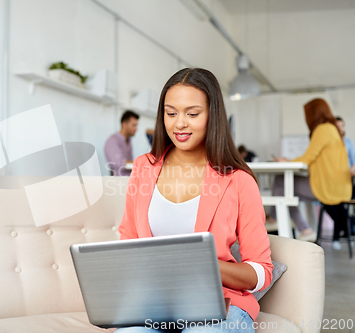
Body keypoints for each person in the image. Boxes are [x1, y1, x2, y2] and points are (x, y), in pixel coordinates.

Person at [117, 68, 273, 333]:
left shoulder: (238, 179)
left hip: (221, 304)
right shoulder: (144, 167)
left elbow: (261, 272)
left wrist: (204, 263)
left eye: (192, 114)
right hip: (155, 303)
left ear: (213, 115)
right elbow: (128, 243)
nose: (179, 123)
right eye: (171, 113)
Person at [273, 99, 352, 250]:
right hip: (336, 186)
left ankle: (280, 221)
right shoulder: (333, 129)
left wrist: (286, 161)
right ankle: (302, 228)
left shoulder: (323, 129)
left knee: (281, 181)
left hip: (326, 187)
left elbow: (308, 158)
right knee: (284, 192)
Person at [104, 110, 139, 176]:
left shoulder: (128, 141)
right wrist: (142, 163)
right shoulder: (112, 141)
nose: (136, 128)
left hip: (129, 181)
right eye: (133, 125)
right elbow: (121, 164)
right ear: (124, 124)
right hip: (118, 182)